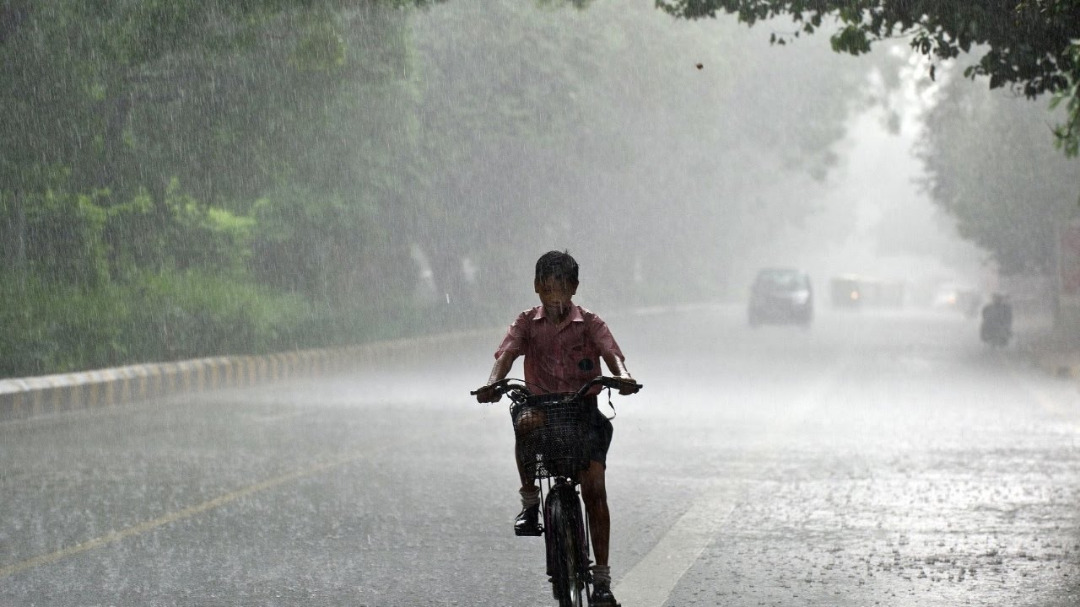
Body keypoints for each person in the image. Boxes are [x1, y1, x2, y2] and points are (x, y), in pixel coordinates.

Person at [474, 250, 639, 607]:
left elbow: (614, 356)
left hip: (583, 412)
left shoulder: (591, 323)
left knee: (594, 489)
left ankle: (602, 580)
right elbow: (506, 355)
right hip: (543, 410)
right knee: (524, 421)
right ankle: (530, 502)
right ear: (536, 288)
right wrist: (491, 384)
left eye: (561, 288)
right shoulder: (525, 323)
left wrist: (623, 378)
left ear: (575, 288)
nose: (555, 298)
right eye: (547, 289)